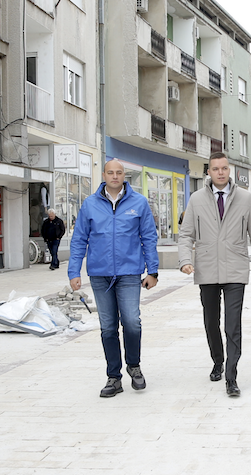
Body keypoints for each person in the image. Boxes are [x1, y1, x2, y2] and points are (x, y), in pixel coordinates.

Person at [68, 159, 159, 398]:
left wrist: (153, 271)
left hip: (129, 273)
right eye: (111, 172)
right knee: (108, 326)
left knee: (132, 321)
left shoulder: (138, 203)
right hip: (100, 274)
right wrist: (74, 272)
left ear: (124, 175)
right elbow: (79, 240)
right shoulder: (90, 204)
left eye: (119, 172)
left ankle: (134, 366)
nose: (115, 176)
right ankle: (114, 377)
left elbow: (149, 237)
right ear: (104, 175)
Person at [178, 152, 251, 397]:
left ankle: (231, 375)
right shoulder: (196, 199)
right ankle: (218, 360)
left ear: (230, 170)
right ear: (209, 172)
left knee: (233, 324)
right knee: (211, 321)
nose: (220, 172)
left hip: (236, 267)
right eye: (215, 169)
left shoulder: (245, 198)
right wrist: (185, 260)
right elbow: (186, 234)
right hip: (207, 268)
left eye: (224, 168)